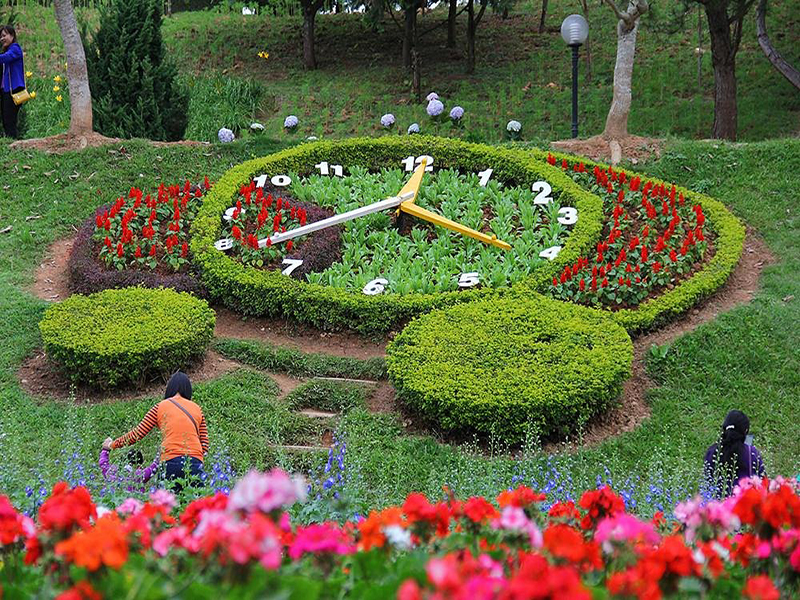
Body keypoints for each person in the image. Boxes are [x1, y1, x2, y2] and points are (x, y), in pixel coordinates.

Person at [105, 372, 208, 492]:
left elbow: (137, 434)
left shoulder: (160, 407)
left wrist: (112, 445)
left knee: (167, 507)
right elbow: (205, 444)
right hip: (194, 463)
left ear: (170, 388)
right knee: (194, 506)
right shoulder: (197, 408)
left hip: (171, 462)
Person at [704, 410, 765, 497]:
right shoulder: (751, 453)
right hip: (744, 506)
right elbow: (762, 482)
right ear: (745, 431)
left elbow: (708, 484)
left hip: (717, 507)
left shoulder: (712, 452)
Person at [0, 25, 25, 139]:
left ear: (12, 35)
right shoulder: (8, 51)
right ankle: (10, 141)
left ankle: (12, 142)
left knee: (9, 119)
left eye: (4, 35)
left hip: (14, 90)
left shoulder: (15, 48)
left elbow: (6, 58)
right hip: (7, 90)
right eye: (0, 37)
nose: (1, 39)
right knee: (7, 118)